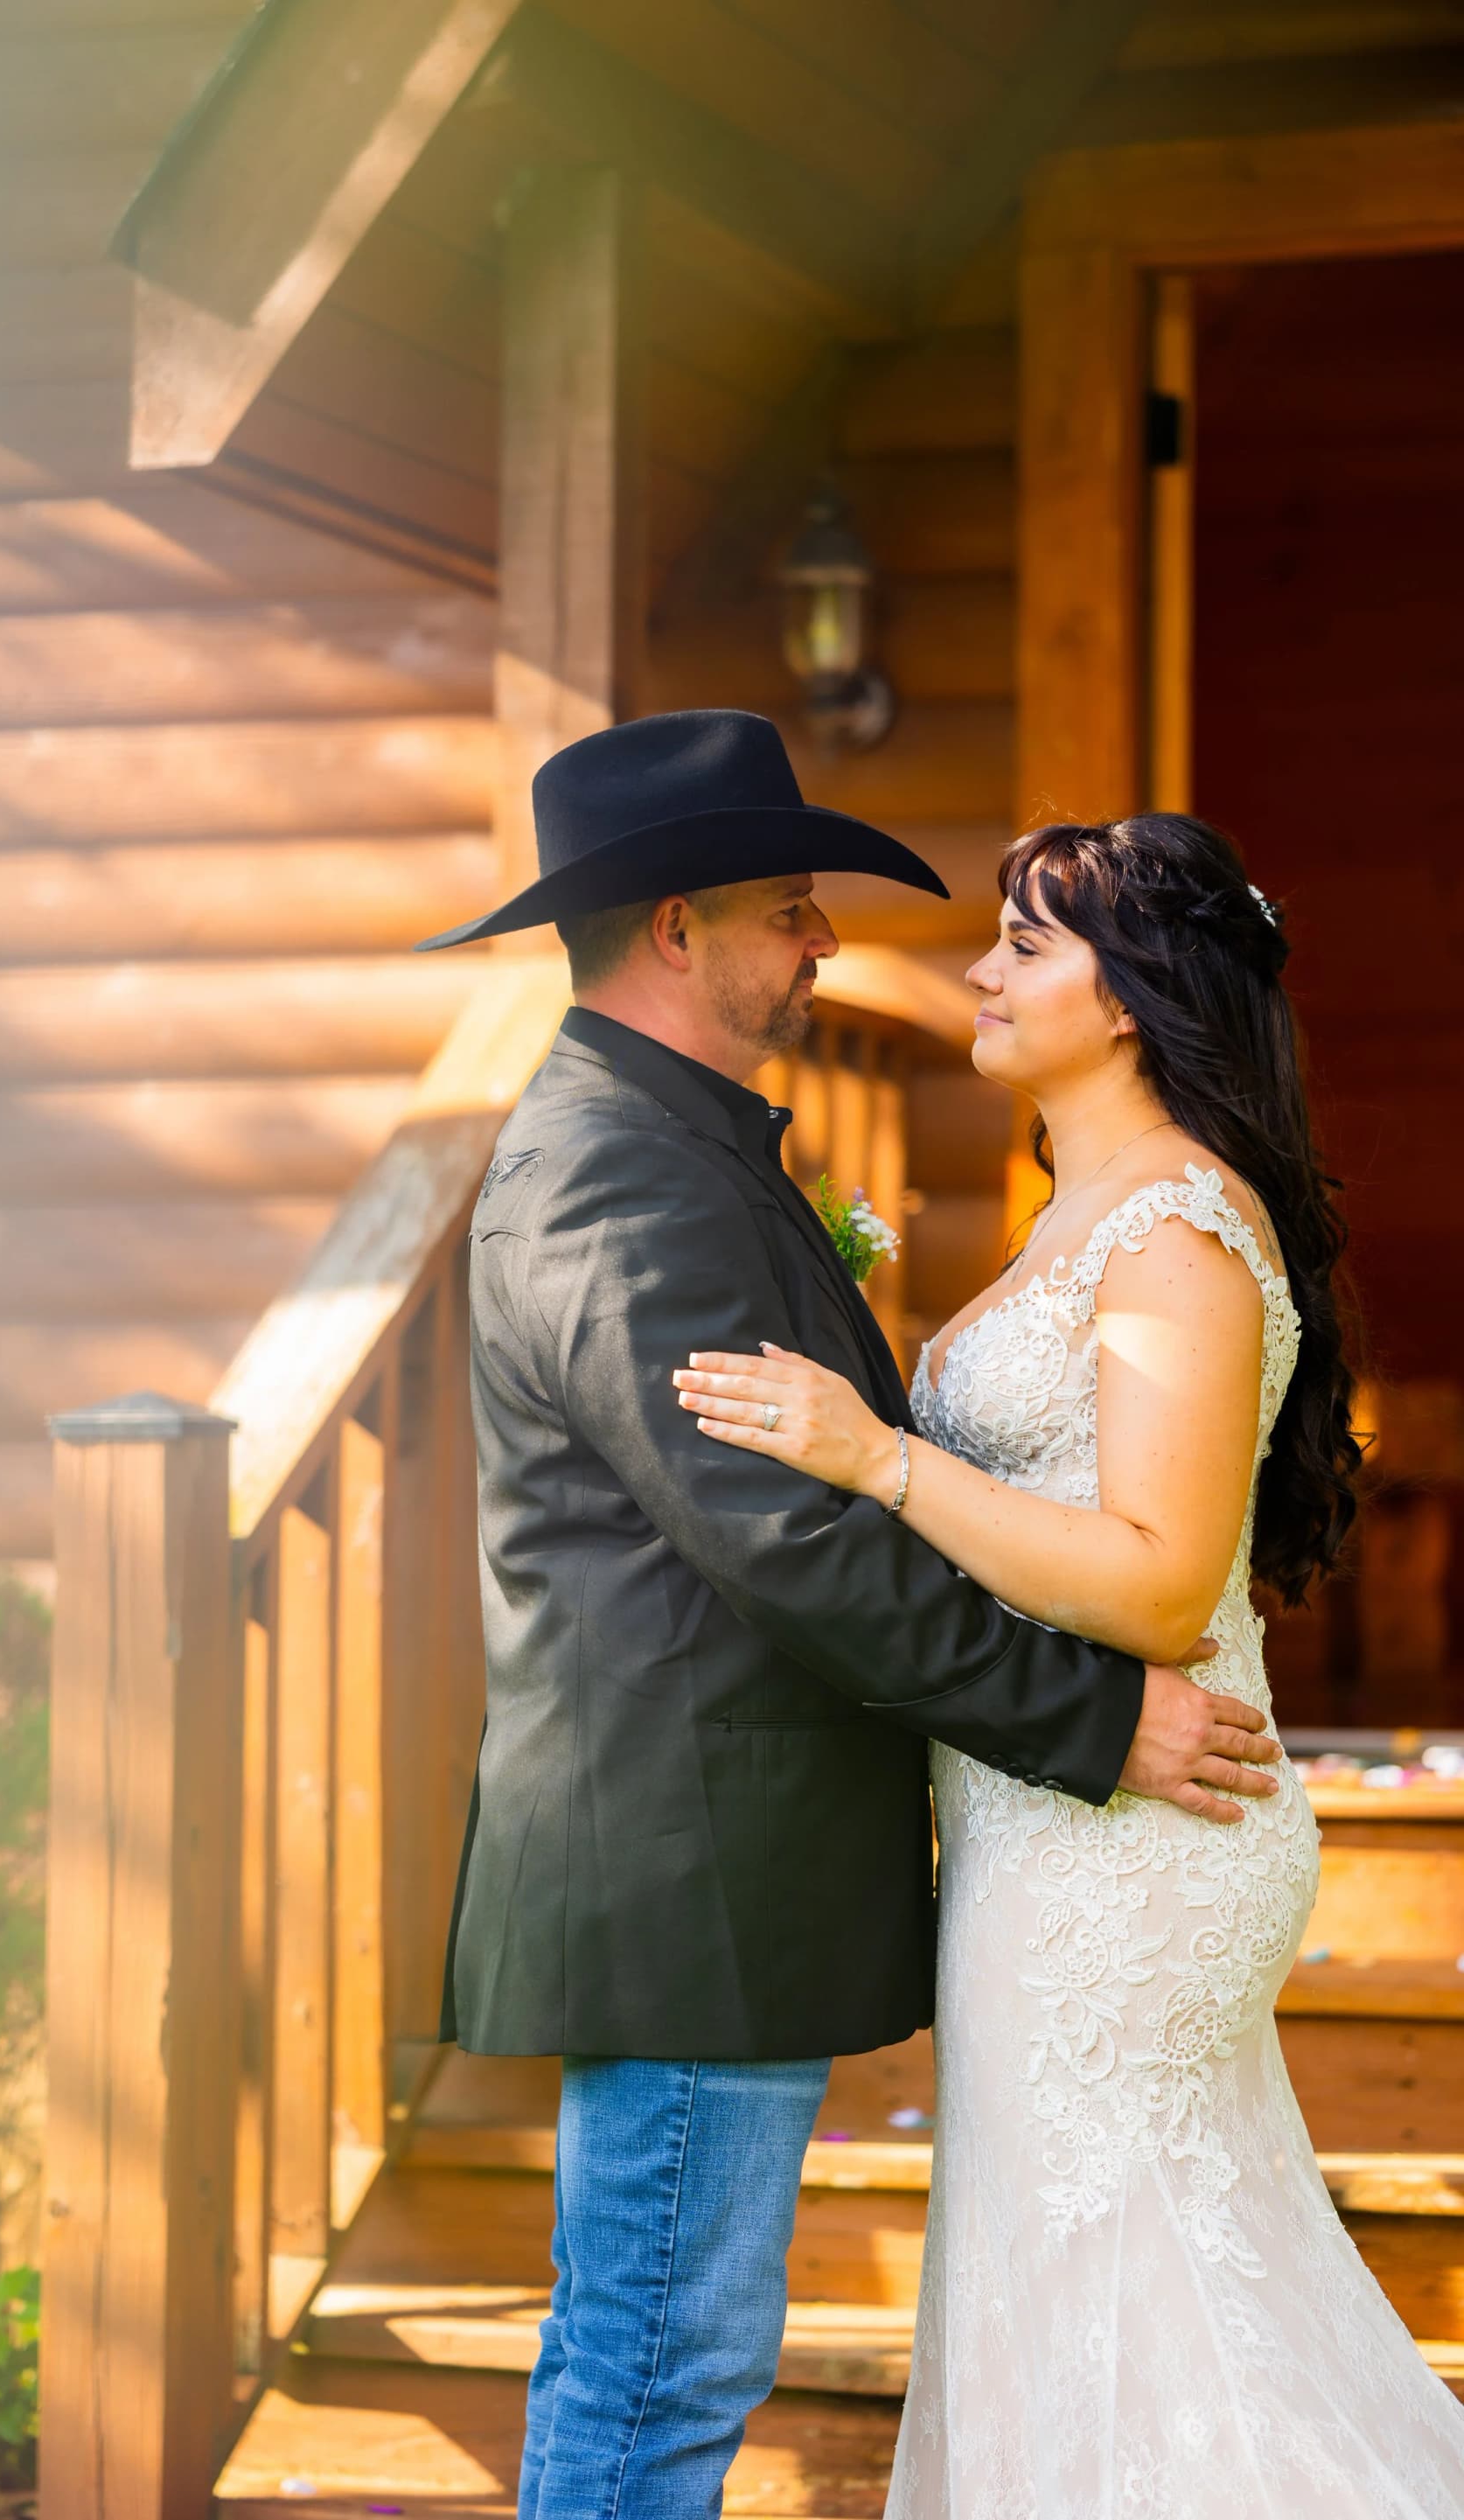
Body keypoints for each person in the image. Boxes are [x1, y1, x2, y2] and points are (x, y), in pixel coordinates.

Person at [417, 716, 1282, 2520]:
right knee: (658, 2364)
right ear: (677, 926)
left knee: (667, 2356)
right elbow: (786, 1542)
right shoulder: (615, 1171)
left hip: (736, 1872)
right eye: (791, 908)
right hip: (689, 1872)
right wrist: (1088, 1715)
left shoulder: (691, 1146)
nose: (828, 943)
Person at [675, 811, 1464, 2516]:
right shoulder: (1079, 1213)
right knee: (1090, 2317)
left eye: (1025, 943)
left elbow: (1163, 1583)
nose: (980, 969)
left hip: (1136, 1843)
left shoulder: (1176, 1223)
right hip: (1045, 1825)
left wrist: (881, 1459)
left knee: (1144, 2326)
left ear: (1127, 998)